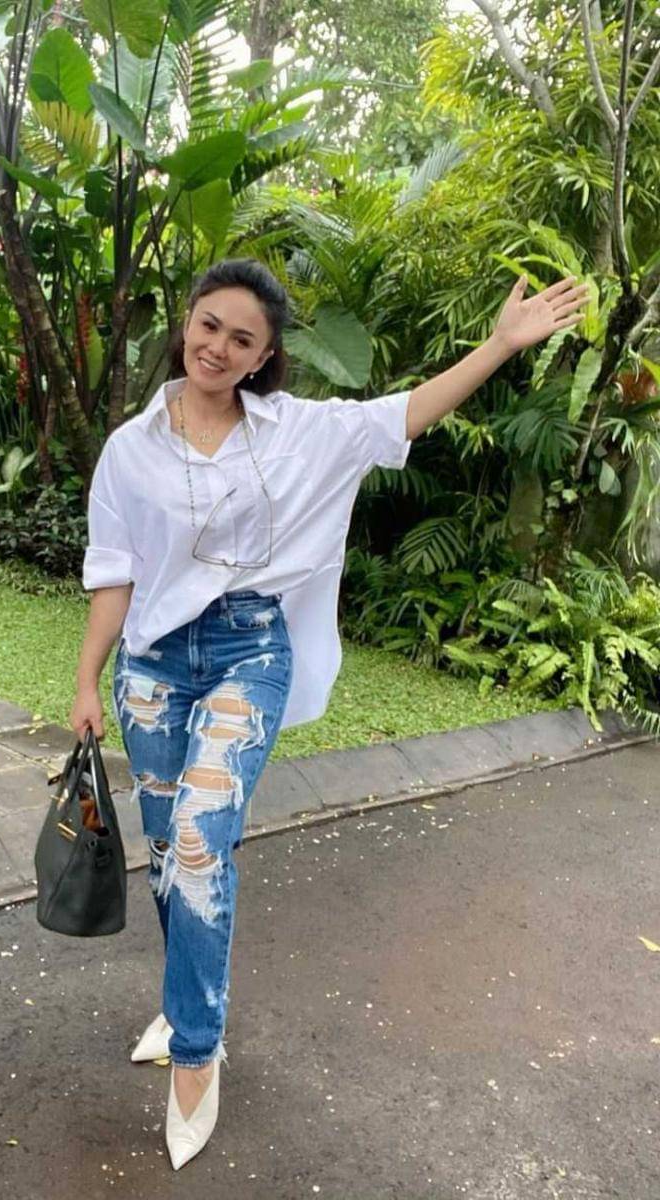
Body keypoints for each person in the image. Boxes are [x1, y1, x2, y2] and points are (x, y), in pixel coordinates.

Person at [70, 257, 589, 1170]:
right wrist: (86, 682)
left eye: (242, 339)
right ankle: (188, 1001)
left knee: (199, 841)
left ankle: (196, 1051)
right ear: (187, 323)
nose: (218, 347)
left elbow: (403, 413)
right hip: (152, 664)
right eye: (209, 325)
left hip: (250, 650)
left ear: (263, 356)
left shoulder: (299, 433)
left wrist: (500, 346)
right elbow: (113, 570)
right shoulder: (130, 446)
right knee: (169, 850)